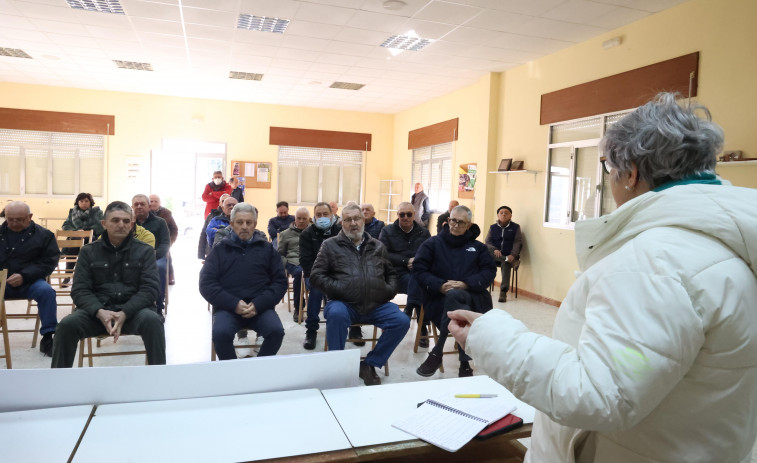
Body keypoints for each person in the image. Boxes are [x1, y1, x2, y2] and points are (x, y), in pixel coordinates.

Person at [448, 93, 757, 462]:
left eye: (608, 168)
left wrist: (489, 337)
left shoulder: (654, 263)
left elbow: (599, 393)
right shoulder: (728, 246)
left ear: (630, 174)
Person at [51, 201, 166, 368]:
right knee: (66, 326)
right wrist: (99, 311)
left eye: (126, 221)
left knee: (154, 321)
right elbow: (79, 290)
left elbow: (150, 289)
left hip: (134, 313)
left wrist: (125, 312)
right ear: (104, 224)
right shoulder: (88, 251)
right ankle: (58, 382)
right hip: (96, 313)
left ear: (132, 224)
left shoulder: (145, 251)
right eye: (115, 220)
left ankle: (159, 381)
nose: (121, 225)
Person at [310, 204, 409, 386]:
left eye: (357, 218)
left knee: (401, 321)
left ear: (363, 220)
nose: (353, 223)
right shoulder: (330, 245)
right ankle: (338, 366)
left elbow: (392, 274)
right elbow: (316, 276)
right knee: (336, 314)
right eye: (348, 219)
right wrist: (340, 288)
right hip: (344, 303)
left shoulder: (378, 246)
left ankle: (370, 364)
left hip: (376, 304)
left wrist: (387, 291)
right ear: (341, 223)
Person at [413, 205, 495, 377]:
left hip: (474, 296)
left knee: (456, 296)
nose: (455, 225)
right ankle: (464, 363)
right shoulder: (432, 244)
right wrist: (439, 285)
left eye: (460, 222)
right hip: (439, 297)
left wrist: (466, 284)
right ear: (447, 221)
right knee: (454, 297)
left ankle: (438, 351)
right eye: (452, 221)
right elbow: (419, 269)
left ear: (469, 225)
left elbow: (489, 271)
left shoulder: (478, 247)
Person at [200, 203, 287, 360]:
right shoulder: (219, 250)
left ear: (255, 224)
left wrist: (259, 304)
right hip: (228, 308)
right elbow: (206, 284)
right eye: (240, 222)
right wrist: (233, 303)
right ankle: (233, 372)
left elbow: (280, 282)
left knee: (276, 332)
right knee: (220, 333)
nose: (245, 226)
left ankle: (258, 369)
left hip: (260, 308)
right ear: (232, 224)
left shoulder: (267, 250)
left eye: (249, 222)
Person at [0, 201, 59, 357]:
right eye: (9, 219)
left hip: (31, 281)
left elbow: (49, 261)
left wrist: (24, 275)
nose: (13, 223)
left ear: (29, 217)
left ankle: (48, 337)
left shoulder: (45, 235)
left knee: (47, 292)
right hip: (1, 282)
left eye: (19, 219)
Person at [378, 202, 431, 346]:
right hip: (395, 273)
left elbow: (430, 253)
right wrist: (405, 260)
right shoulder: (387, 231)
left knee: (421, 283)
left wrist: (416, 261)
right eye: (402, 214)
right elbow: (382, 254)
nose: (405, 217)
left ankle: (414, 314)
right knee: (418, 284)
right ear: (398, 215)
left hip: (417, 271)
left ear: (414, 215)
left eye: (409, 214)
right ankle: (422, 327)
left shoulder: (423, 232)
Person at [298, 202, 341, 350]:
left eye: (325, 214)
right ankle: (311, 331)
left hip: (337, 274)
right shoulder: (307, 234)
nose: (322, 217)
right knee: (317, 290)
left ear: (332, 215)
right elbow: (305, 261)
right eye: (318, 215)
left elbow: (345, 258)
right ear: (314, 217)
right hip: (315, 275)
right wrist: (320, 276)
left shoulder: (341, 232)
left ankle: (347, 327)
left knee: (348, 288)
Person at [132, 194, 170, 319]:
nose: (139, 207)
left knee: (160, 268)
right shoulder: (128, 223)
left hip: (156, 257)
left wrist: (154, 255)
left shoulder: (160, 222)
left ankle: (158, 308)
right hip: (132, 258)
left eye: (142, 204)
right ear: (132, 207)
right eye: (136, 204)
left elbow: (165, 243)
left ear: (149, 207)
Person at [61, 192, 104, 284]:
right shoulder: (72, 212)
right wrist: (76, 232)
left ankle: (86, 276)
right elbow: (65, 225)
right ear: (77, 202)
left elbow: (101, 226)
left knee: (84, 243)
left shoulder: (96, 212)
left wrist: (86, 232)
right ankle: (68, 275)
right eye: (81, 201)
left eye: (86, 201)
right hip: (75, 239)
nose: (84, 203)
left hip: (92, 239)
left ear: (90, 202)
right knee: (75, 241)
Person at [278, 207, 310, 322]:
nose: (301, 221)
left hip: (311, 262)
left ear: (309, 219)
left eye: (304, 218)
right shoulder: (285, 234)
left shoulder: (313, 232)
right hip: (293, 262)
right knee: (299, 273)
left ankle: (321, 307)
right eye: (299, 218)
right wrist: (286, 264)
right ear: (294, 219)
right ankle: (299, 308)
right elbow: (280, 254)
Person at [484, 206, 522, 303]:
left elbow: (518, 242)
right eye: (501, 212)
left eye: (506, 213)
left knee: (505, 263)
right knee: (485, 251)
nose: (503, 214)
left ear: (511, 216)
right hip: (495, 255)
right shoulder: (493, 227)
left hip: (509, 255)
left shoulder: (515, 227)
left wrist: (513, 255)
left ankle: (503, 292)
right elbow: (487, 242)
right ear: (498, 215)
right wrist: (495, 249)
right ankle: (512, 262)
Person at [149, 194, 178, 285]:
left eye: (156, 201)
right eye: (151, 201)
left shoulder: (166, 213)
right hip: (147, 242)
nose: (153, 203)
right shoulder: (144, 213)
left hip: (162, 242)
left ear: (160, 203)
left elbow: (174, 229)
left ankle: (169, 276)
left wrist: (169, 242)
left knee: (166, 255)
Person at [198, 193, 230, 260]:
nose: (225, 203)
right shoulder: (211, 216)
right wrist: (201, 254)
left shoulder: (234, 217)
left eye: (228, 200)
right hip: (211, 252)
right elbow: (204, 234)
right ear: (220, 203)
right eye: (223, 201)